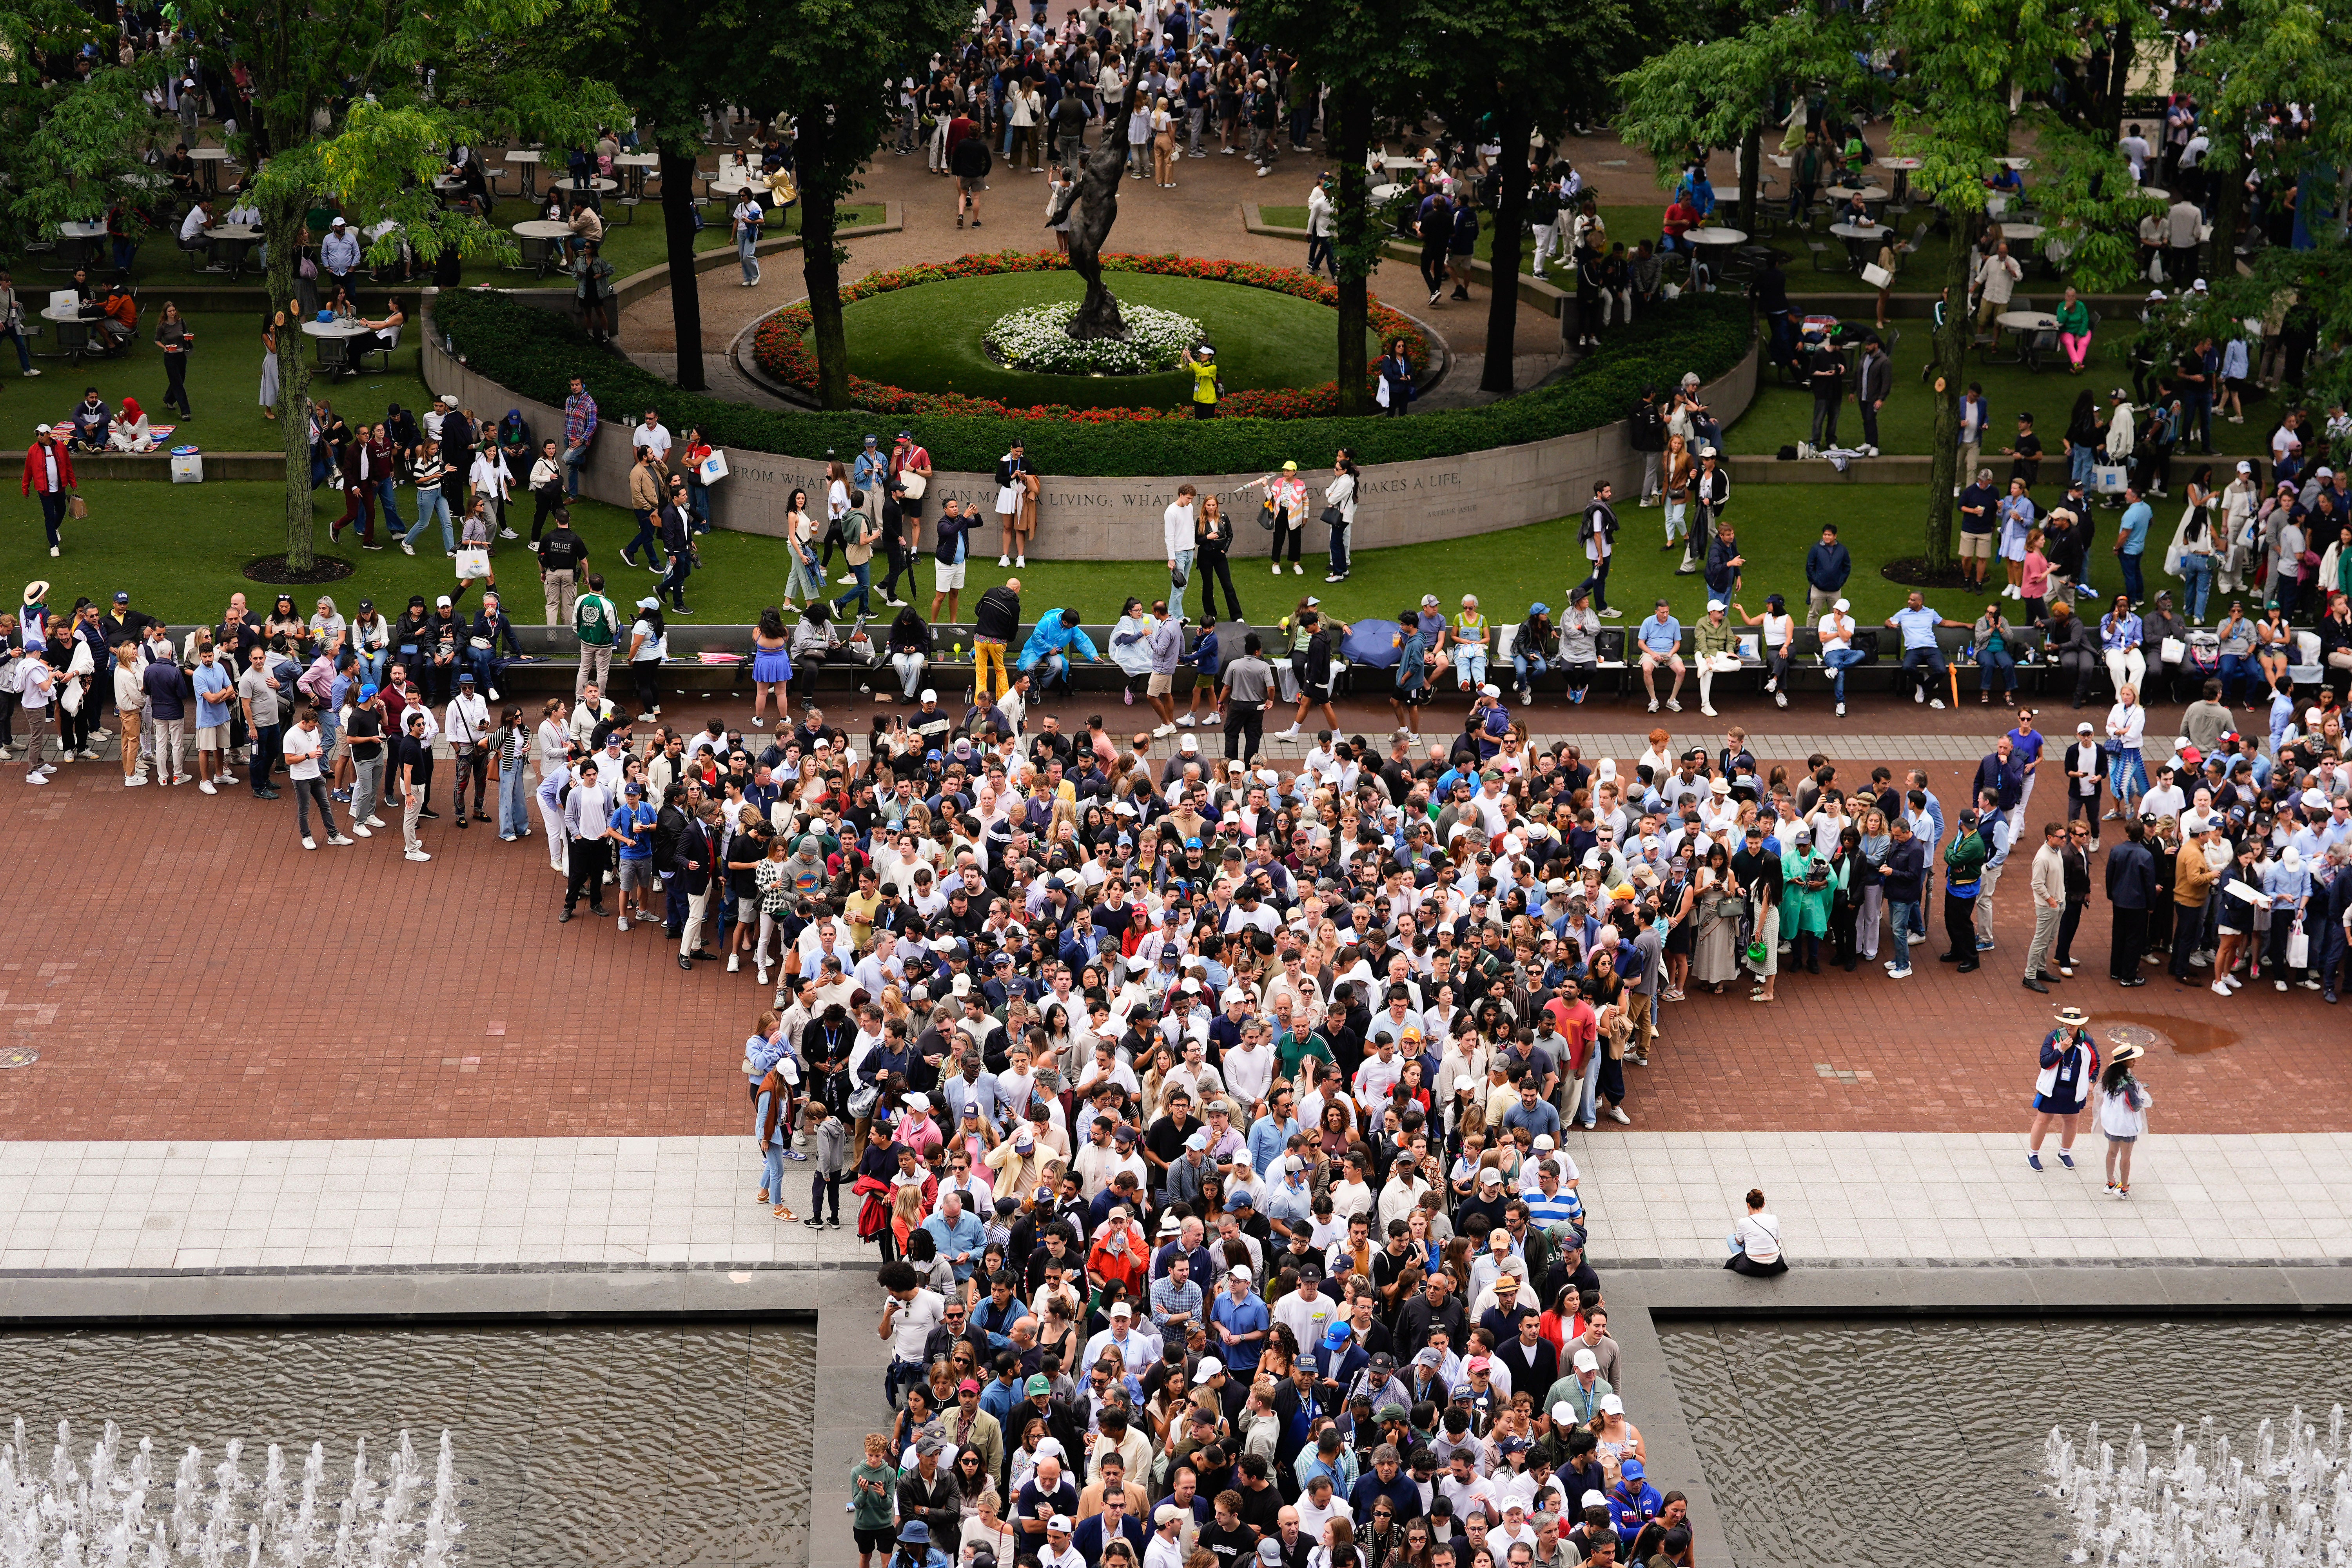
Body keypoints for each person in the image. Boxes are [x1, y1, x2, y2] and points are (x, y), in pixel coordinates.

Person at [2095, 1042, 2152, 1197]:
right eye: (2132, 1059)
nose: (2135, 1062)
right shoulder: (2130, 1083)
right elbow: (2136, 1105)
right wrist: (2143, 1092)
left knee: (2112, 1152)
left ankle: (2110, 1182)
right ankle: (2124, 1187)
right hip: (2127, 1125)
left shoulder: (2108, 1079)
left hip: (2112, 1123)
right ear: (2124, 1063)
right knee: (2126, 1156)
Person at [1724, 1188, 1785, 1276]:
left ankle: (1743, 1255)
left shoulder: (1744, 1222)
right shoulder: (1773, 1218)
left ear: (1748, 1205)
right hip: (1775, 1265)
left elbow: (1738, 1242)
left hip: (1751, 1266)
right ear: (1763, 1204)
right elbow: (1777, 1241)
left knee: (1731, 1238)